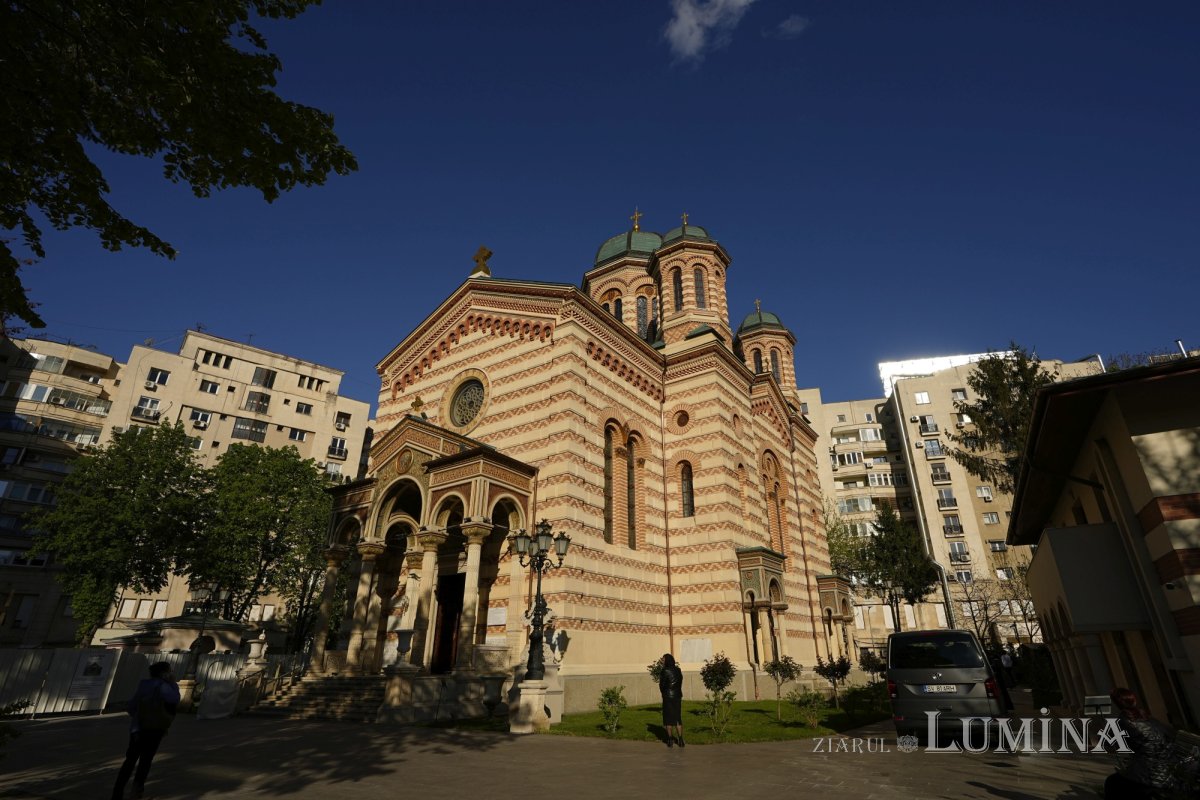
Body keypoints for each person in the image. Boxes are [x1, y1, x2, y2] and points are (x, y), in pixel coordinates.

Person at [112, 661, 181, 800]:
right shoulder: (163, 686)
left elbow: (131, 706)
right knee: (145, 760)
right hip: (154, 729)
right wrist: (173, 683)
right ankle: (137, 791)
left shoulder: (144, 685)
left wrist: (138, 718)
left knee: (129, 761)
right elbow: (174, 699)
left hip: (137, 729)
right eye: (169, 671)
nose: (171, 673)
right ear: (163, 673)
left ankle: (117, 792)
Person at [1104, 687, 1175, 799]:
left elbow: (1110, 747)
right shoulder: (1150, 719)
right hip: (1169, 772)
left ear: (1116, 704)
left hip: (1146, 776)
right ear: (1135, 701)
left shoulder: (1121, 722)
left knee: (1112, 782)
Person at [658, 653, 684, 748]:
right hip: (677, 696)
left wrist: (664, 693)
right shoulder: (678, 670)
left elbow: (662, 685)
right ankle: (680, 740)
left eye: (663, 659)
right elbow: (680, 681)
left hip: (668, 697)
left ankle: (670, 740)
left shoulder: (664, 671)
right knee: (677, 718)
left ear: (667, 661)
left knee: (668, 719)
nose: (662, 661)